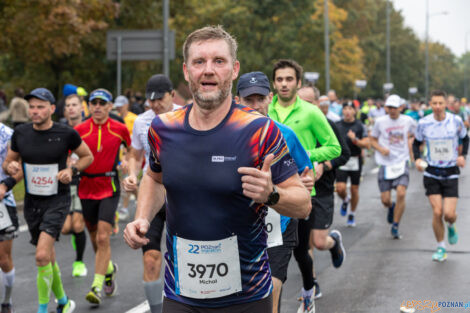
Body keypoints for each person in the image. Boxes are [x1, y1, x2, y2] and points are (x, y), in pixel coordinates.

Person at [124, 25, 311, 313]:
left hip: (247, 296)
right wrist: (142, 218)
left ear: (234, 70)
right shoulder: (164, 128)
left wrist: (271, 194)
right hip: (181, 294)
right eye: (199, 62)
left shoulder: (260, 131)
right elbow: (154, 178)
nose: (208, 70)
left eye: (218, 61)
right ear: (187, 72)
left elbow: (303, 205)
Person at [3, 87, 93, 313]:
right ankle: (63, 302)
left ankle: (42, 309)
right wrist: (10, 166)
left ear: (52, 109)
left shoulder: (66, 134)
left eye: (40, 107)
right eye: (31, 107)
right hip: (33, 204)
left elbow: (87, 156)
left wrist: (71, 170)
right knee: (48, 258)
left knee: (42, 255)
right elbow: (10, 162)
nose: (34, 111)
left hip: (57, 200)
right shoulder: (20, 133)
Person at [268, 59, 343, 313]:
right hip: (271, 191)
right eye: (279, 79)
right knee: (271, 251)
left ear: (298, 83)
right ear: (274, 83)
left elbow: (334, 147)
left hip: (303, 190)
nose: (284, 84)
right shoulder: (267, 111)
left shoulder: (311, 112)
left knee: (300, 251)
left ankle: (309, 292)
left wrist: (302, 154)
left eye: (289, 79)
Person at [235, 71, 314, 313]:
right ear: (237, 101)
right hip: (240, 224)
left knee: (272, 291)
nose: (256, 106)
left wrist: (306, 182)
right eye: (249, 100)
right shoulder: (228, 136)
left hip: (279, 223)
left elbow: (305, 171)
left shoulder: (285, 134)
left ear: (270, 98)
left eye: (260, 99)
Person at [123, 74, 178, 313]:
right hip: (152, 193)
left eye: (160, 99)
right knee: (150, 259)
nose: (155, 105)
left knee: (184, 260)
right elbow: (135, 155)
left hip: (181, 195)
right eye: (150, 100)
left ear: (172, 95)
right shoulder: (141, 122)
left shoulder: (188, 117)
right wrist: (132, 174)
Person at [74, 88, 131, 306]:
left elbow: (131, 150)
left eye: (102, 103)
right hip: (86, 186)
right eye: (93, 102)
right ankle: (108, 269)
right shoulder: (79, 130)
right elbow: (69, 153)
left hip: (109, 186)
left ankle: (96, 287)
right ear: (88, 106)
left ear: (109, 107)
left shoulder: (119, 128)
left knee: (103, 238)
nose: (97, 106)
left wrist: (126, 160)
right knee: (94, 236)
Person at [298, 89, 351, 301]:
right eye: (301, 102)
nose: (307, 107)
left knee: (319, 242)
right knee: (304, 242)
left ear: (319, 104)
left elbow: (344, 153)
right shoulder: (292, 125)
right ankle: (311, 283)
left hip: (323, 190)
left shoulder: (329, 125)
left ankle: (334, 243)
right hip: (299, 189)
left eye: (311, 102)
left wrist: (326, 165)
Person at [413, 90, 468, 262]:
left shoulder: (455, 121)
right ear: (430, 104)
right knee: (437, 212)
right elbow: (416, 143)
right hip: (432, 172)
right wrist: (417, 159)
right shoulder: (423, 123)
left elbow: (465, 139)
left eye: (440, 103)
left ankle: (451, 225)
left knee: (448, 214)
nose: (437, 107)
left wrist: (462, 156)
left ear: (446, 105)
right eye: (434, 103)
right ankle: (441, 247)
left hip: (451, 172)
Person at [370, 94, 416, 239]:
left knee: (401, 193)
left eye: (395, 107)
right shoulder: (380, 122)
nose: (392, 110)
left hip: (401, 162)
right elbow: (372, 139)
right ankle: (391, 207)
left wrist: (410, 143)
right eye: (389, 107)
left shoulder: (408, 120)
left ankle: (395, 225)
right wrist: (380, 149)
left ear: (400, 108)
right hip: (385, 163)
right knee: (385, 199)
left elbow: (416, 134)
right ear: (386, 108)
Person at [60, 94, 88, 278]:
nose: (71, 108)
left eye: (74, 105)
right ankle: (76, 238)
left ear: (81, 108)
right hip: (64, 182)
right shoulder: (59, 130)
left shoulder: (88, 129)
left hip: (84, 181)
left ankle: (79, 262)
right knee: (65, 229)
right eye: (68, 105)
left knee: (78, 225)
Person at [335, 101, 369, 227]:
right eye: (345, 109)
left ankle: (352, 214)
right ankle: (345, 199)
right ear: (342, 111)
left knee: (354, 189)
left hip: (355, 159)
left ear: (355, 111)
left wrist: (355, 140)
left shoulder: (359, 125)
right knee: (340, 188)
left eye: (350, 109)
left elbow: (367, 144)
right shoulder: (337, 125)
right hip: (342, 159)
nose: (348, 111)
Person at [0, 122, 21, 313]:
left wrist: (4, 186)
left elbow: (18, 168)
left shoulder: (8, 134)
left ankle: (6, 300)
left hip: (3, 202)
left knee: (3, 259)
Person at [114, 95, 138, 221]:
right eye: (117, 105)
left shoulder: (134, 118)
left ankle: (124, 208)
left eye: (121, 106)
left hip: (132, 155)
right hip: (119, 154)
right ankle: (141, 199)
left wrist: (127, 158)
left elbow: (135, 140)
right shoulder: (116, 119)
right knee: (128, 182)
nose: (119, 108)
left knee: (127, 180)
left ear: (126, 105)